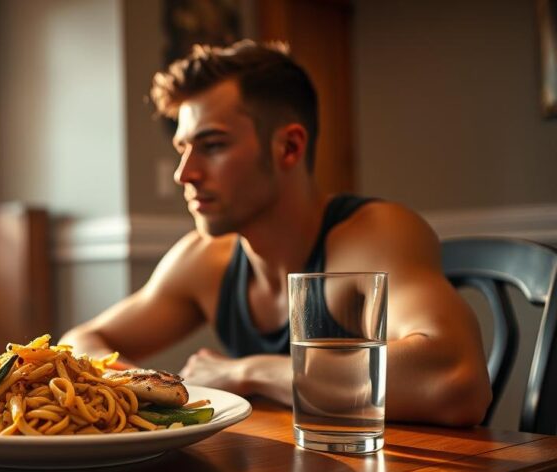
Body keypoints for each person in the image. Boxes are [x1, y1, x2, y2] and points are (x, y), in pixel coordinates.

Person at [58, 40, 491, 427]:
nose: (183, 173)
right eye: (182, 149)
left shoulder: (372, 236)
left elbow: (455, 378)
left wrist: (246, 371)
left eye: (212, 146)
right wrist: (148, 391)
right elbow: (81, 341)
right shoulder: (206, 259)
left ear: (289, 147)